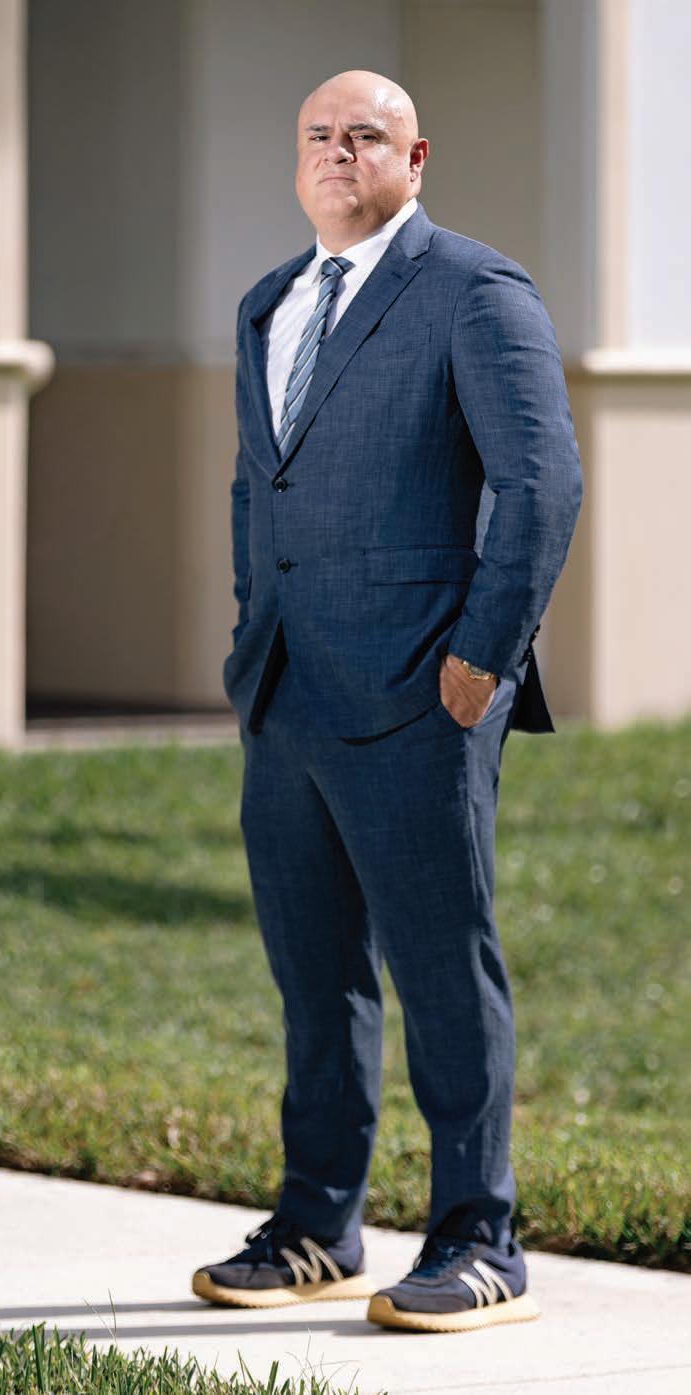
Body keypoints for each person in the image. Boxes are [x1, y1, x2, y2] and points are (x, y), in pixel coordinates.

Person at [191, 70, 582, 1333]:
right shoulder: (269, 302)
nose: (337, 152)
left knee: (440, 967)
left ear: (416, 158)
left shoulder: (475, 290)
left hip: (423, 691)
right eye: (318, 135)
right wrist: (250, 636)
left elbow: (541, 485)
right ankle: (319, 1226)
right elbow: (259, 489)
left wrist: (484, 657)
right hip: (287, 692)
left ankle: (481, 1239)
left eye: (364, 135)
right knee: (317, 977)